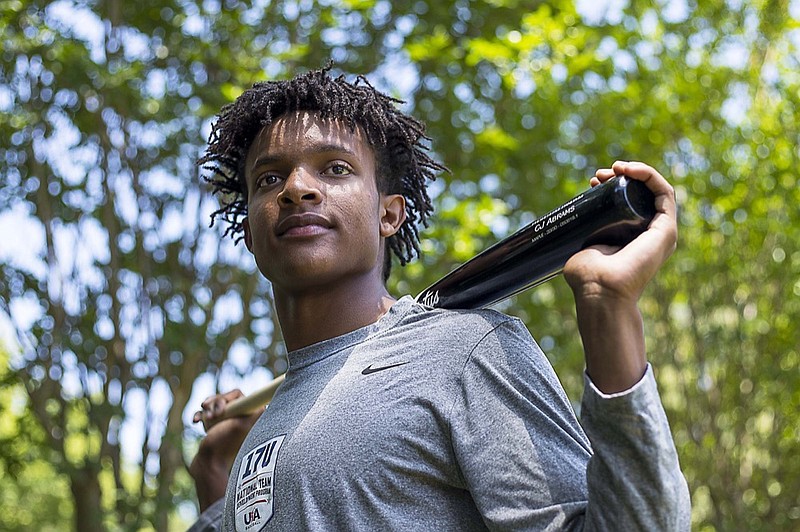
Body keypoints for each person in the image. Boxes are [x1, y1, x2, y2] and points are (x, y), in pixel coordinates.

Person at [187, 66, 691, 531]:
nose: (297, 188)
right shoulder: (264, 431)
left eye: (336, 168)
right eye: (269, 178)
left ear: (389, 215)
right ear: (250, 232)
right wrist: (214, 472)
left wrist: (608, 307)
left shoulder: (462, 353)